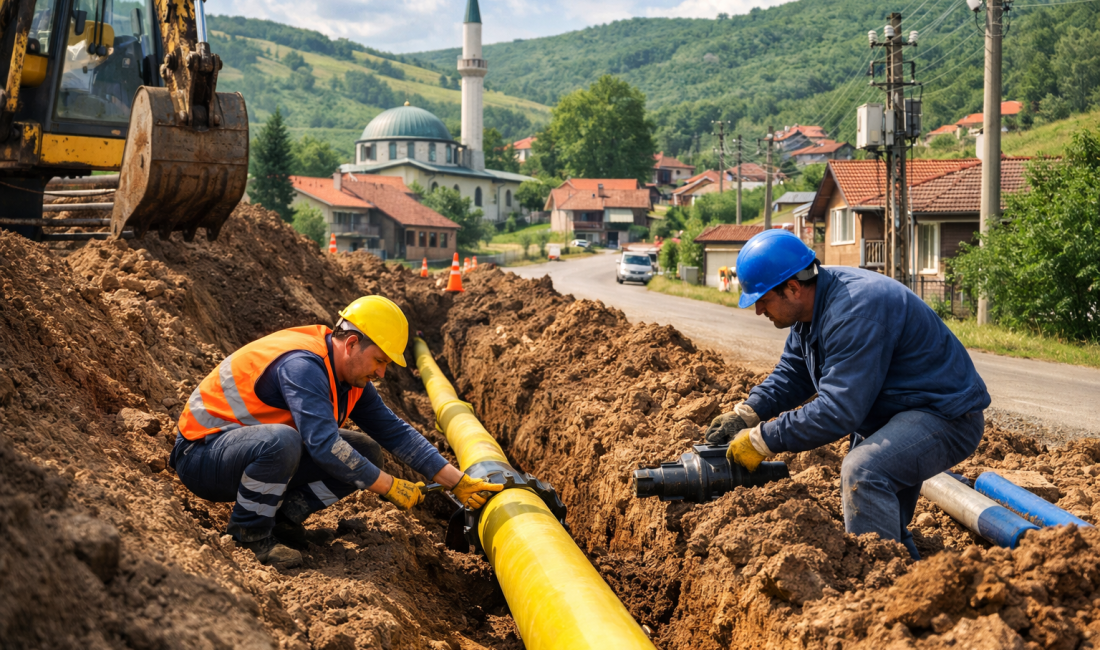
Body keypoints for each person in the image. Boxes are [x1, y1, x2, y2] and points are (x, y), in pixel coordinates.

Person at [705, 230, 989, 559]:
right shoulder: (811, 311)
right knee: (882, 519)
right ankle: (908, 577)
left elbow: (837, 411)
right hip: (898, 414)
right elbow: (793, 374)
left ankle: (877, 584)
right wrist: (748, 413)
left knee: (864, 472)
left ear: (793, 288)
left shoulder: (853, 312)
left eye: (763, 300)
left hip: (945, 417)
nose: (758, 311)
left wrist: (761, 440)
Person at [169, 295, 502, 567]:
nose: (382, 373)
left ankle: (282, 523)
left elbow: (395, 432)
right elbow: (324, 446)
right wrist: (389, 486)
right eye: (380, 361)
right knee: (285, 442)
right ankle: (249, 535)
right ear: (352, 343)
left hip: (247, 451)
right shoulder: (303, 365)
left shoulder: (349, 377)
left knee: (366, 450)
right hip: (202, 456)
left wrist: (455, 481)